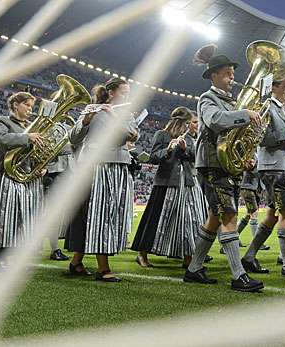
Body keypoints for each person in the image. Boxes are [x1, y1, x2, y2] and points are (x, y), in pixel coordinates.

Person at [183, 44, 263, 292]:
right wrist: (245, 113)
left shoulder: (231, 101)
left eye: (232, 73)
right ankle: (238, 275)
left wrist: (247, 157)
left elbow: (238, 136)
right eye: (228, 73)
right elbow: (214, 121)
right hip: (211, 164)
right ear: (214, 75)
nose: (232, 78)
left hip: (227, 165)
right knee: (228, 215)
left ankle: (194, 269)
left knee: (215, 218)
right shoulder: (208, 98)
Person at [65, 77, 138, 282]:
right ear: (112, 92)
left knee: (101, 215)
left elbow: (130, 136)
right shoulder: (92, 109)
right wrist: (87, 120)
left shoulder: (126, 114)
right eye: (124, 92)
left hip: (117, 167)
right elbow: (74, 138)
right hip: (94, 167)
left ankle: (76, 262)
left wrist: (114, 115)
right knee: (98, 214)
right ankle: (103, 268)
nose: (128, 96)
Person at [241, 77, 285, 279]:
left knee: (273, 215)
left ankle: (248, 257)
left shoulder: (284, 109)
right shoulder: (267, 107)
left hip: (283, 166)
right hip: (272, 168)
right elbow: (262, 138)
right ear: (273, 87)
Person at [131, 107, 206, 268]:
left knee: (191, 220)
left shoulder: (193, 139)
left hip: (188, 182)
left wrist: (186, 149)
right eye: (192, 122)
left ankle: (188, 257)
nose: (195, 126)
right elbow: (153, 158)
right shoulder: (162, 135)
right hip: (166, 183)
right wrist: (169, 149)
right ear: (182, 123)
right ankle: (142, 253)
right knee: (155, 219)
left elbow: (197, 158)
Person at [0, 92, 45, 264]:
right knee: (6, 217)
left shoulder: (32, 126)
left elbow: (35, 153)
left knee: (23, 218)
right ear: (15, 105)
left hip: (26, 176)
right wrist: (27, 137)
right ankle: (3, 256)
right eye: (27, 105)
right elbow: (0, 138)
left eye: (31, 106)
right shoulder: (2, 120)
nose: (30, 109)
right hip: (6, 174)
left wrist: (42, 166)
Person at [42, 122, 73, 261]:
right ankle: (54, 249)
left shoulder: (67, 125)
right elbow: (50, 148)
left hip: (67, 172)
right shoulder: (45, 125)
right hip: (53, 173)